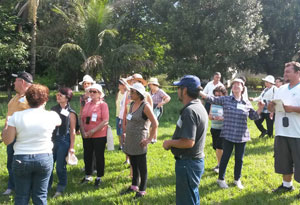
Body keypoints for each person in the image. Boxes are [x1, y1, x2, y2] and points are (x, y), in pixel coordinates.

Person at [1, 84, 61, 204]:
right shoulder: (52, 115)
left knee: (21, 196)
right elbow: (58, 123)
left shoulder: (16, 116)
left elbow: (8, 141)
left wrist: (6, 127)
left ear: (27, 99)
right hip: (44, 157)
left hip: (21, 157)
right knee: (40, 196)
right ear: (45, 100)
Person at [200, 78, 265, 189]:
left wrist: (260, 109)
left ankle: (237, 180)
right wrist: (198, 90)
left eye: (238, 84)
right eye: (234, 84)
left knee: (239, 159)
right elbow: (211, 99)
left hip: (241, 135)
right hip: (228, 134)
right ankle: (221, 179)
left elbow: (253, 117)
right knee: (225, 157)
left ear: (243, 88)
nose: (235, 86)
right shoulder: (226, 99)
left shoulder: (246, 103)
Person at [163, 75, 208, 205]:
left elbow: (188, 142)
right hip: (193, 162)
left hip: (188, 163)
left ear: (185, 90)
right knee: (192, 198)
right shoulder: (198, 106)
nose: (178, 91)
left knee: (186, 201)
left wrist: (169, 143)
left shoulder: (190, 111)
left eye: (179, 88)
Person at [121, 82, 158, 199]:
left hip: (140, 140)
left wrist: (149, 139)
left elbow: (155, 123)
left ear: (139, 94)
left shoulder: (145, 106)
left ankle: (142, 190)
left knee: (142, 166)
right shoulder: (132, 104)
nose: (130, 94)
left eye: (132, 92)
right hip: (131, 140)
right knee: (133, 163)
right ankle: (134, 185)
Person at [268, 61, 300, 194]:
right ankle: (287, 185)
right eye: (285, 71)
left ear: (298, 73)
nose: (284, 74)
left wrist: (290, 109)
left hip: (297, 132)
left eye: (288, 71)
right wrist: (270, 107)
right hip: (281, 131)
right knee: (283, 159)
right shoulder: (281, 89)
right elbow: (274, 106)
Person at [1, 71, 33, 196]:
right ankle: (12, 185)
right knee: (11, 162)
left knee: (24, 163)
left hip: (23, 138)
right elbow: (9, 117)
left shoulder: (33, 97)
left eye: (16, 80)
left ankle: (26, 187)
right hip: (11, 137)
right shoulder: (15, 97)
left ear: (22, 82)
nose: (13, 83)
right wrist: (5, 132)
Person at [48, 87, 78, 197]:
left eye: (60, 95)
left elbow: (73, 130)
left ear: (67, 98)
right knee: (49, 165)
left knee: (60, 166)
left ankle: (60, 188)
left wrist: (72, 147)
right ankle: (46, 187)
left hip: (64, 141)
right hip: (51, 141)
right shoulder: (53, 110)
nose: (58, 96)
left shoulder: (71, 113)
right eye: (57, 95)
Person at [80, 84, 109, 187]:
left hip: (99, 135)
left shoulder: (103, 105)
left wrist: (92, 131)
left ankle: (99, 177)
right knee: (87, 155)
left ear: (100, 94)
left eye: (94, 91)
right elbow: (82, 118)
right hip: (87, 135)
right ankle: (88, 175)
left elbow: (105, 121)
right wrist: (83, 131)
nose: (91, 93)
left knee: (99, 155)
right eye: (90, 91)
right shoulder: (87, 104)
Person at [209, 86, 227, 174]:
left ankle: (220, 166)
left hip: (222, 129)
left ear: (224, 95)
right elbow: (209, 115)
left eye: (219, 95)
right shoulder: (213, 103)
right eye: (215, 95)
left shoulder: (226, 103)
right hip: (214, 128)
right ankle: (219, 163)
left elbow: (228, 116)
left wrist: (222, 118)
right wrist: (212, 117)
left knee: (220, 147)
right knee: (216, 148)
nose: (217, 97)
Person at [148, 77, 171, 143]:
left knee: (154, 123)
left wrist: (162, 103)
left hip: (157, 108)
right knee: (149, 123)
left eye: (150, 84)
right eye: (149, 84)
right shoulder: (150, 92)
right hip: (151, 108)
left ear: (154, 84)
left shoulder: (159, 91)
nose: (149, 86)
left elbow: (168, 98)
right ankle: (151, 138)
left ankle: (154, 138)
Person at [116, 79, 127, 150]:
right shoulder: (118, 93)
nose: (118, 86)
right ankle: (120, 145)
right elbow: (116, 103)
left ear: (123, 85)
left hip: (124, 116)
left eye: (120, 84)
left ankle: (125, 144)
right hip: (118, 115)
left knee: (123, 131)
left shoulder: (127, 93)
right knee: (118, 131)